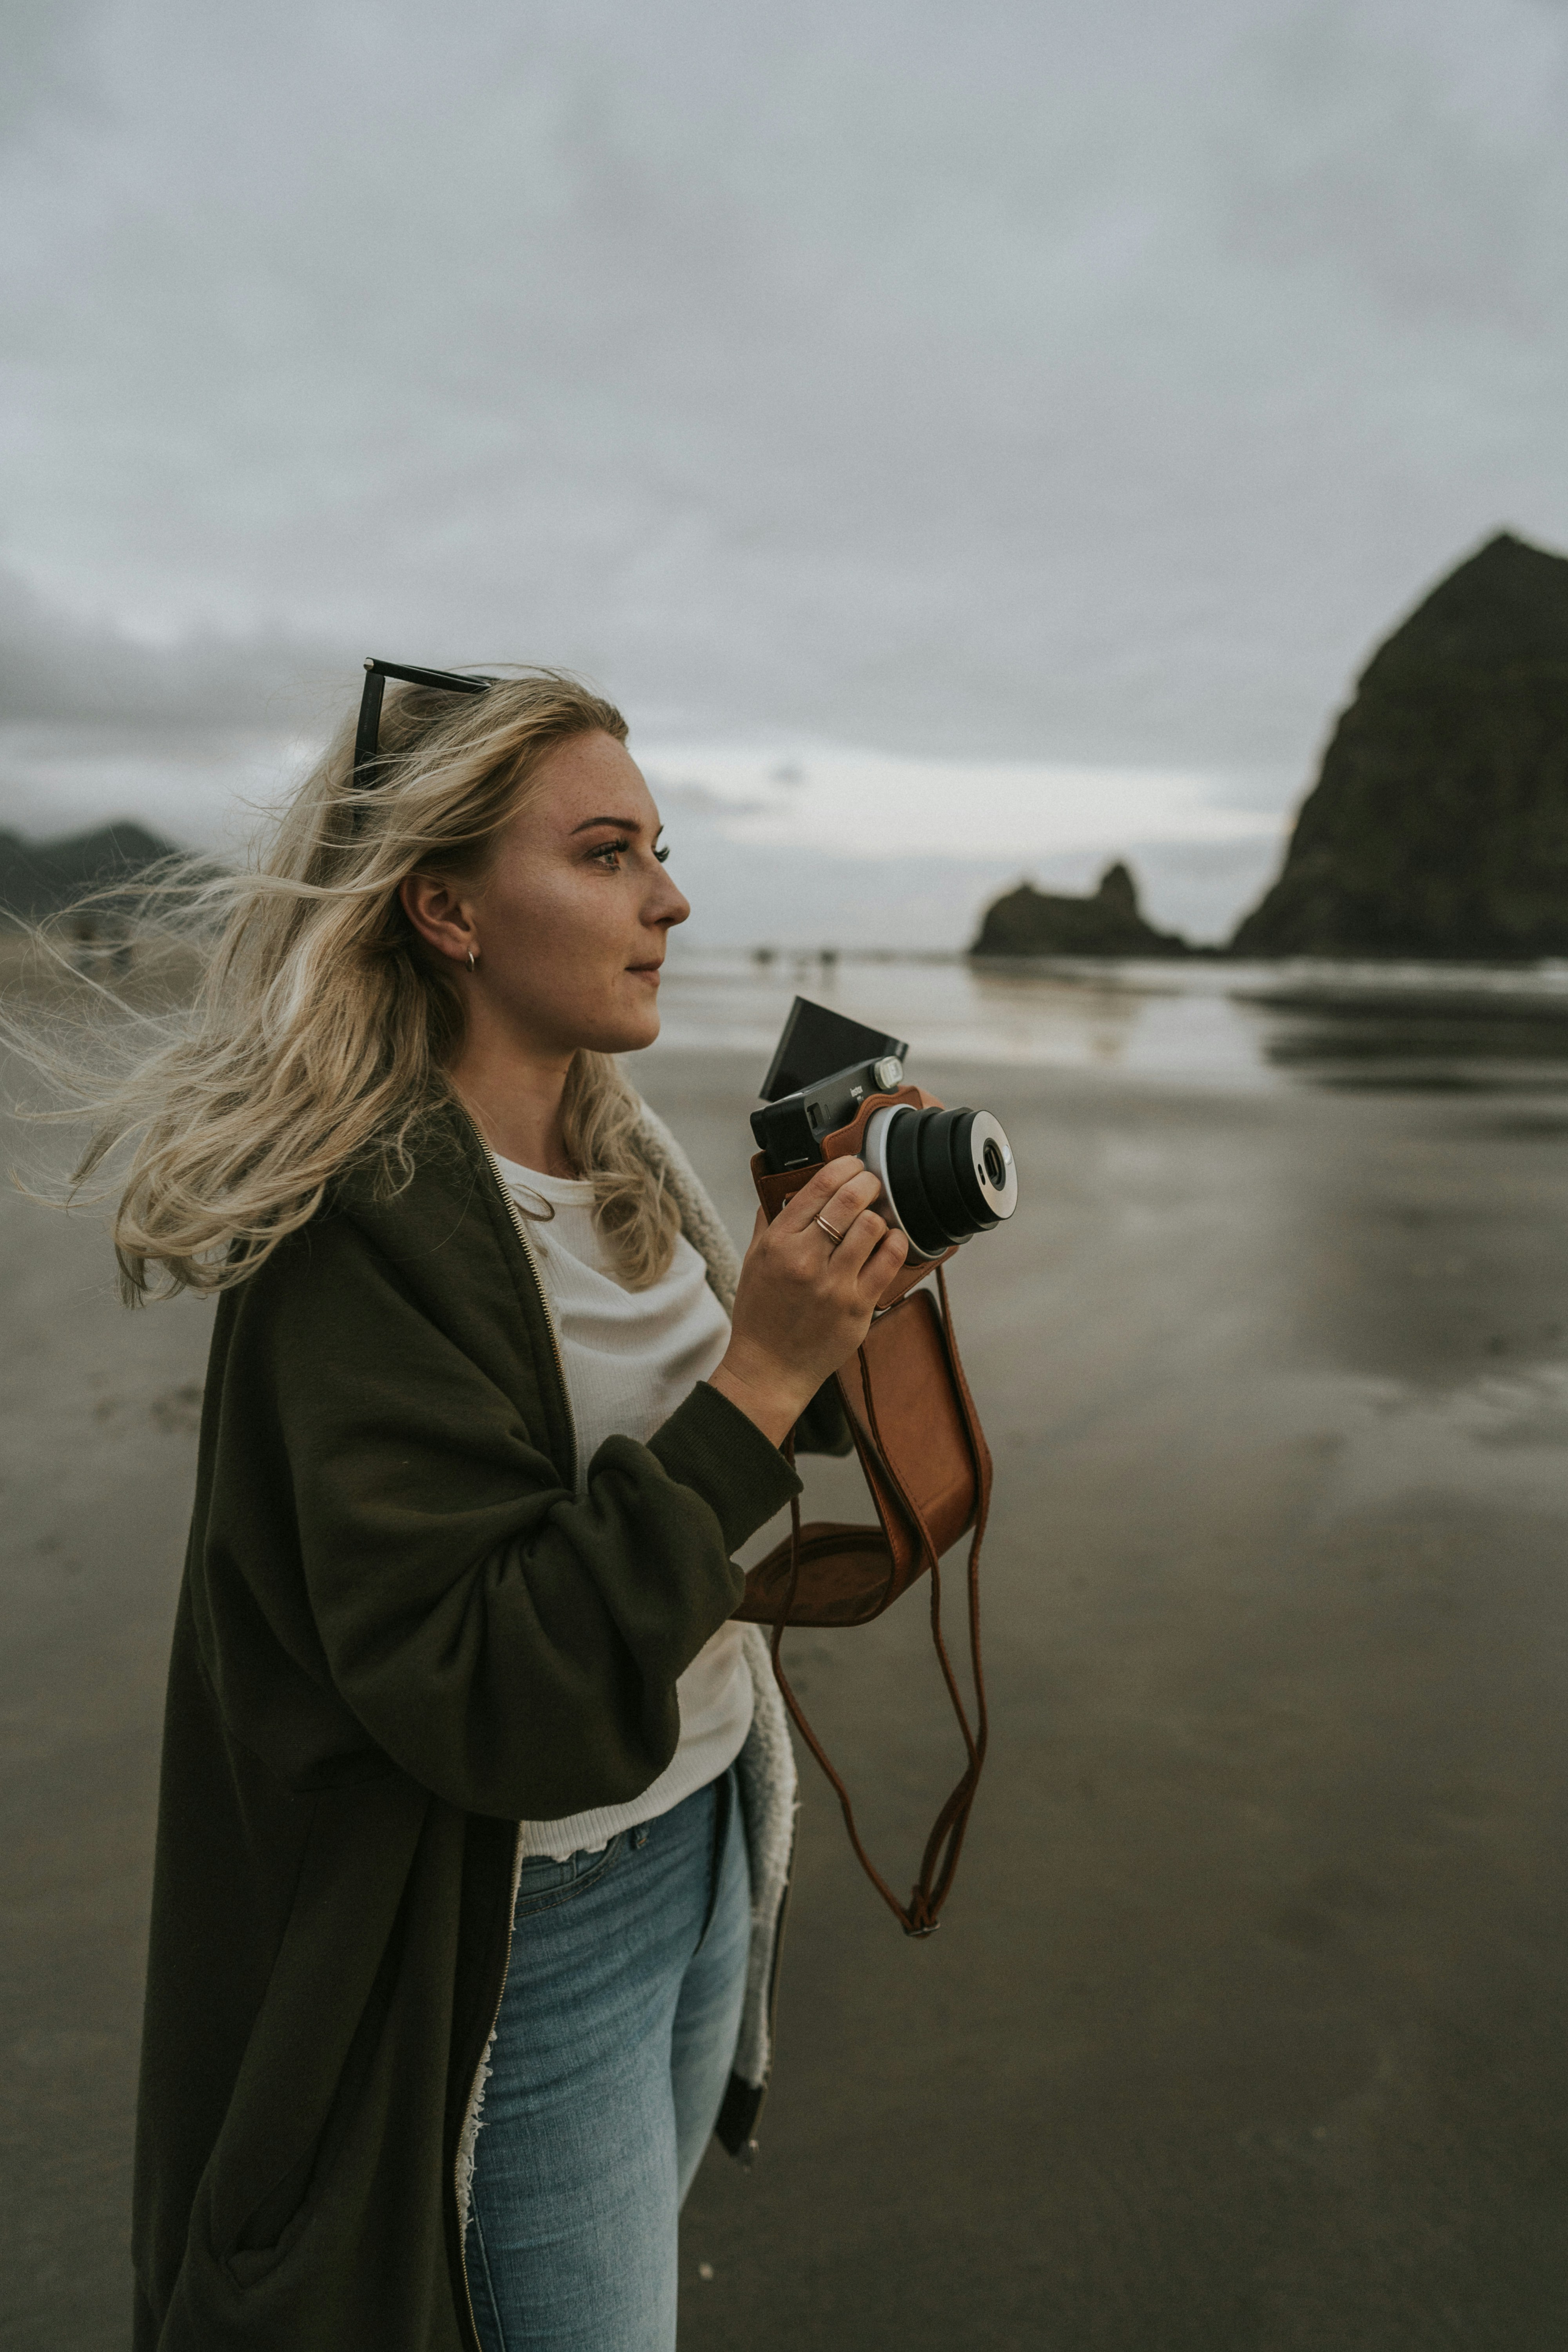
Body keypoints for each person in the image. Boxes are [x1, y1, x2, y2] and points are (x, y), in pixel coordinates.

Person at [44, 669, 907, 2350]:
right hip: (528, 1919)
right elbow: (491, 1688)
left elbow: (679, 1471)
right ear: (443, 906)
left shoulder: (622, 1154)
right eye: (602, 855)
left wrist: (843, 1312)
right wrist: (757, 1379)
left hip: (706, 1823)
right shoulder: (357, 1236)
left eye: (658, 849)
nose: (667, 897)